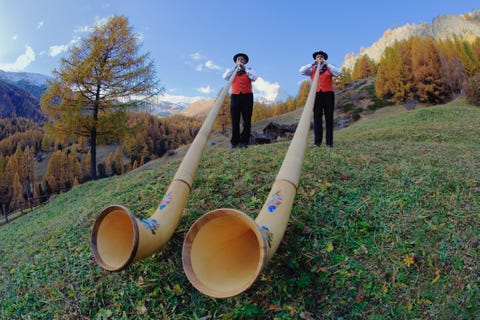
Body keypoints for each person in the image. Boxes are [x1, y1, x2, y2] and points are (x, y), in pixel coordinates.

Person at [299, 50, 341, 148]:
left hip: (328, 94)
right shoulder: (312, 69)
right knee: (317, 118)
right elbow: (301, 71)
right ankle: (317, 142)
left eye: (321, 57)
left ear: (324, 58)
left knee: (329, 117)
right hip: (317, 94)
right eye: (317, 57)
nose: (319, 58)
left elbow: (338, 72)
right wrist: (312, 64)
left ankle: (329, 143)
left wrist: (327, 64)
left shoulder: (329, 68)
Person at [223, 53, 258, 149]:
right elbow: (225, 77)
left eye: (242, 59)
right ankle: (234, 142)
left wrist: (245, 69)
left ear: (245, 61)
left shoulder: (249, 70)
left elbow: (254, 77)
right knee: (235, 120)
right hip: (235, 96)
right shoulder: (231, 71)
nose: (240, 61)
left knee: (247, 121)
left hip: (247, 97)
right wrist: (235, 68)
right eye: (238, 59)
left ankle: (244, 142)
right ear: (236, 61)